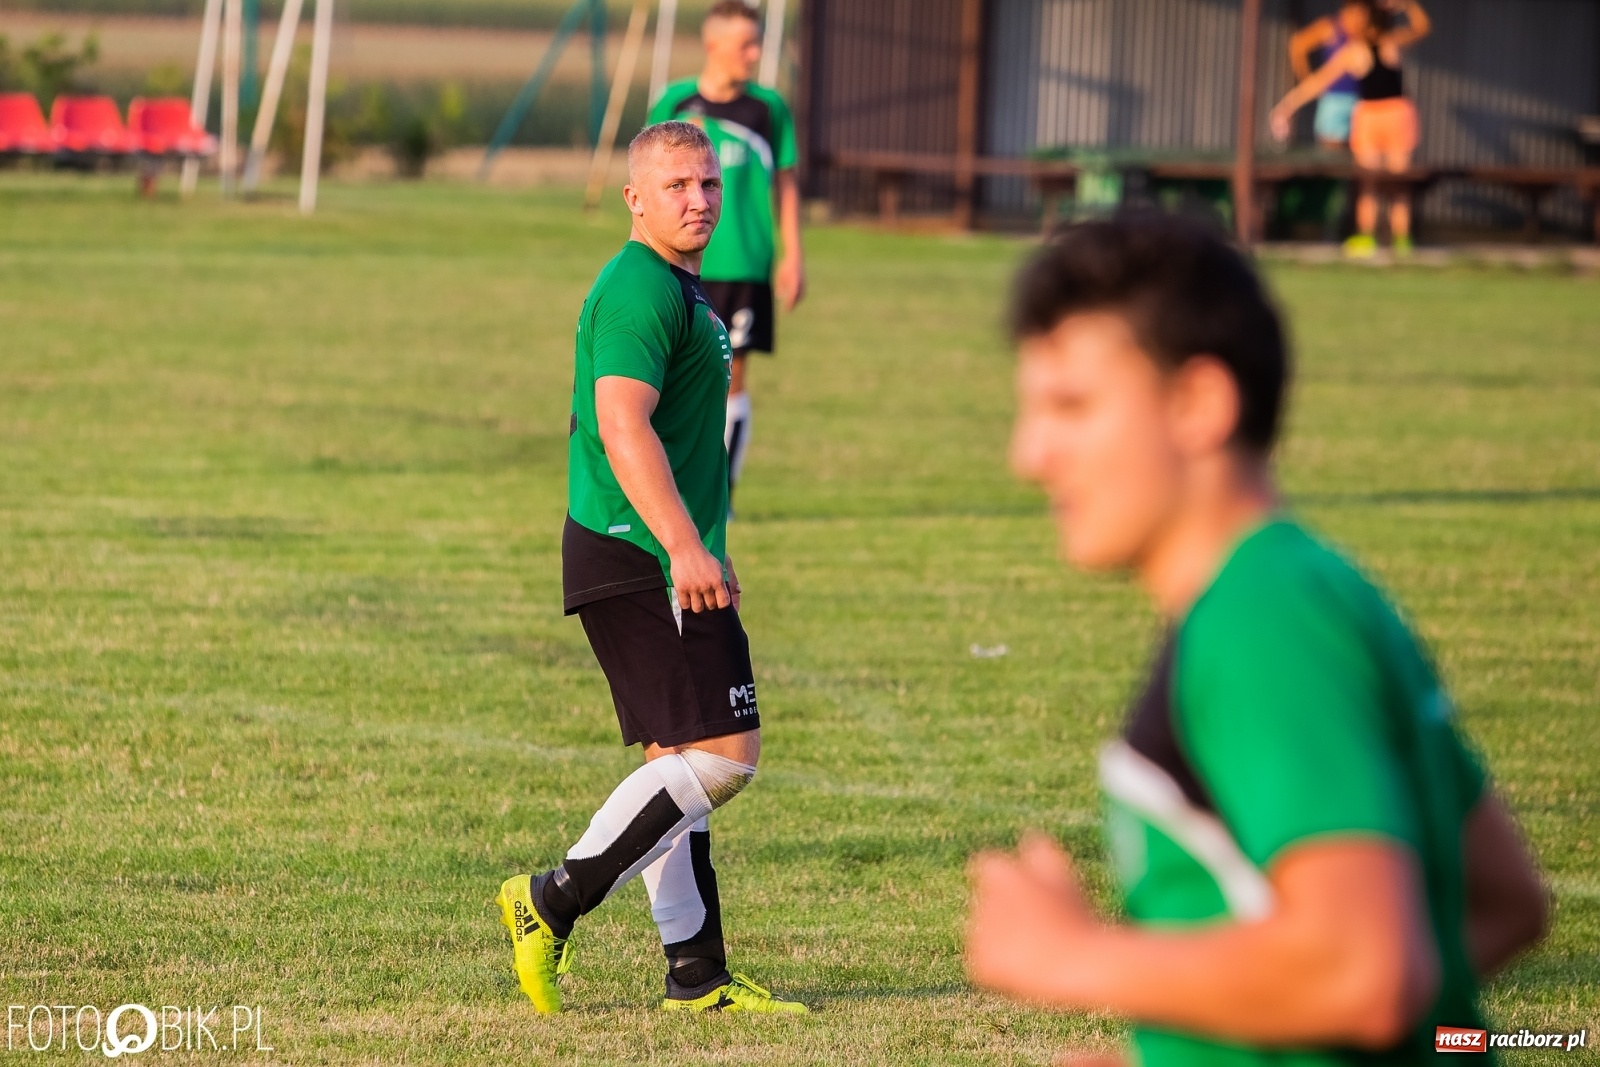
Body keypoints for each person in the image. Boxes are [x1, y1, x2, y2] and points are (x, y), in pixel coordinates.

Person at [966, 214, 1548, 1066]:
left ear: (1198, 403)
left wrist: (1074, 956)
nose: (1029, 454)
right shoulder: (1305, 583)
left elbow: (1368, 972)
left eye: (1072, 406)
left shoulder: (1259, 622)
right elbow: (1498, 902)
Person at [494, 119, 805, 1016]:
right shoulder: (640, 287)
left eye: (708, 184)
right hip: (638, 549)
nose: (700, 199)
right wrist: (681, 544)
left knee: (676, 761)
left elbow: (630, 428)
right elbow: (622, 423)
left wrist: (702, 534)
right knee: (725, 755)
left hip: (645, 543)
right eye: (677, 186)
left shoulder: (672, 286)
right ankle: (549, 899)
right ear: (635, 198)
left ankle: (696, 975)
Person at [647, 0, 804, 509]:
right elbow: (645, 180)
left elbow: (785, 183)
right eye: (745, 45)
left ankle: (722, 492)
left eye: (757, 43)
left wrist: (792, 255)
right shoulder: (675, 101)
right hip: (678, 262)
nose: (754, 54)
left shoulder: (767, 109)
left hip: (743, 265)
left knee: (731, 375)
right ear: (713, 46)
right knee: (669, 376)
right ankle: (667, 487)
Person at [1270, 0, 1431, 258]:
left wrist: (1408, 5)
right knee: (1369, 179)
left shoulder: (1389, 42)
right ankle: (1367, 236)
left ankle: (1400, 238)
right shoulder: (1357, 50)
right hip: (1371, 115)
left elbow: (1422, 28)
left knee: (1396, 181)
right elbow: (1319, 81)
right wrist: (1287, 106)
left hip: (1394, 115)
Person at [1287, 1, 1367, 150]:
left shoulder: (1365, 33)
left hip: (1361, 103)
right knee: (1331, 150)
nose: (1360, 20)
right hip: (1334, 100)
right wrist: (1306, 79)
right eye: (1357, 14)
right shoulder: (1330, 27)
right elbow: (1297, 45)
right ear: (1347, 11)